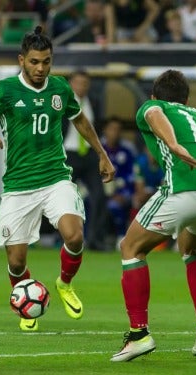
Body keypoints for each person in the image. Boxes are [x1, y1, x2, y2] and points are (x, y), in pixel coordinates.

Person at [0, 26, 115, 332]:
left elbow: (80, 119)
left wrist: (102, 154)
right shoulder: (4, 90)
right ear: (21, 60)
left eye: (46, 61)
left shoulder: (60, 88)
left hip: (55, 177)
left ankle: (65, 283)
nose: (40, 68)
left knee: (74, 235)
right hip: (18, 185)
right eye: (34, 62)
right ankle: (25, 300)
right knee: (17, 262)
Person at [110, 69, 196, 362]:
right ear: (187, 99)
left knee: (130, 248)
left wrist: (173, 144)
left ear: (155, 95)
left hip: (186, 188)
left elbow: (154, 112)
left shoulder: (153, 106)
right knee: (191, 248)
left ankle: (139, 334)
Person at [63, 70, 108, 251]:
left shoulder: (95, 102)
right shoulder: (62, 102)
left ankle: (95, 240)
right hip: (68, 154)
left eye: (84, 83)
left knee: (99, 196)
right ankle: (63, 239)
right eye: (78, 83)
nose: (81, 87)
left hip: (89, 154)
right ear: (71, 84)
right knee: (62, 198)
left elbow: (97, 128)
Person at [101, 116, 136, 244]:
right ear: (105, 130)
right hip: (100, 192)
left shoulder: (127, 150)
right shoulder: (98, 149)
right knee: (88, 202)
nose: (115, 132)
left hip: (122, 192)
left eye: (118, 129)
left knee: (116, 205)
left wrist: (122, 193)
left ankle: (121, 237)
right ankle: (89, 237)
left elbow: (132, 175)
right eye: (112, 129)